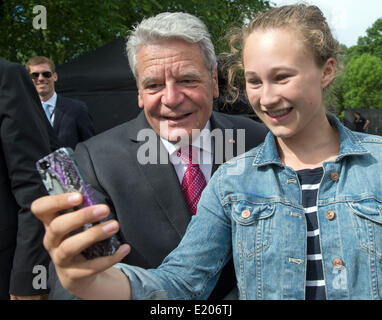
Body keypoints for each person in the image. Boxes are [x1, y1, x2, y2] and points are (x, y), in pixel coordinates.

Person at [34, 12, 268, 300]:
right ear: (139, 93)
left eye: (187, 80)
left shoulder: (256, 140)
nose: (171, 98)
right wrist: (74, 272)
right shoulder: (96, 161)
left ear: (214, 82)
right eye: (154, 85)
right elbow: (73, 282)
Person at [0, 58, 59, 300]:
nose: (41, 80)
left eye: (46, 74)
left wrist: (30, 279)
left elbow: (37, 182)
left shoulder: (6, 76)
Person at [26, 56, 95, 149]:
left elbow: (90, 146)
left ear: (55, 77)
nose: (41, 78)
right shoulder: (24, 112)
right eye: (35, 75)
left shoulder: (77, 109)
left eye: (46, 74)